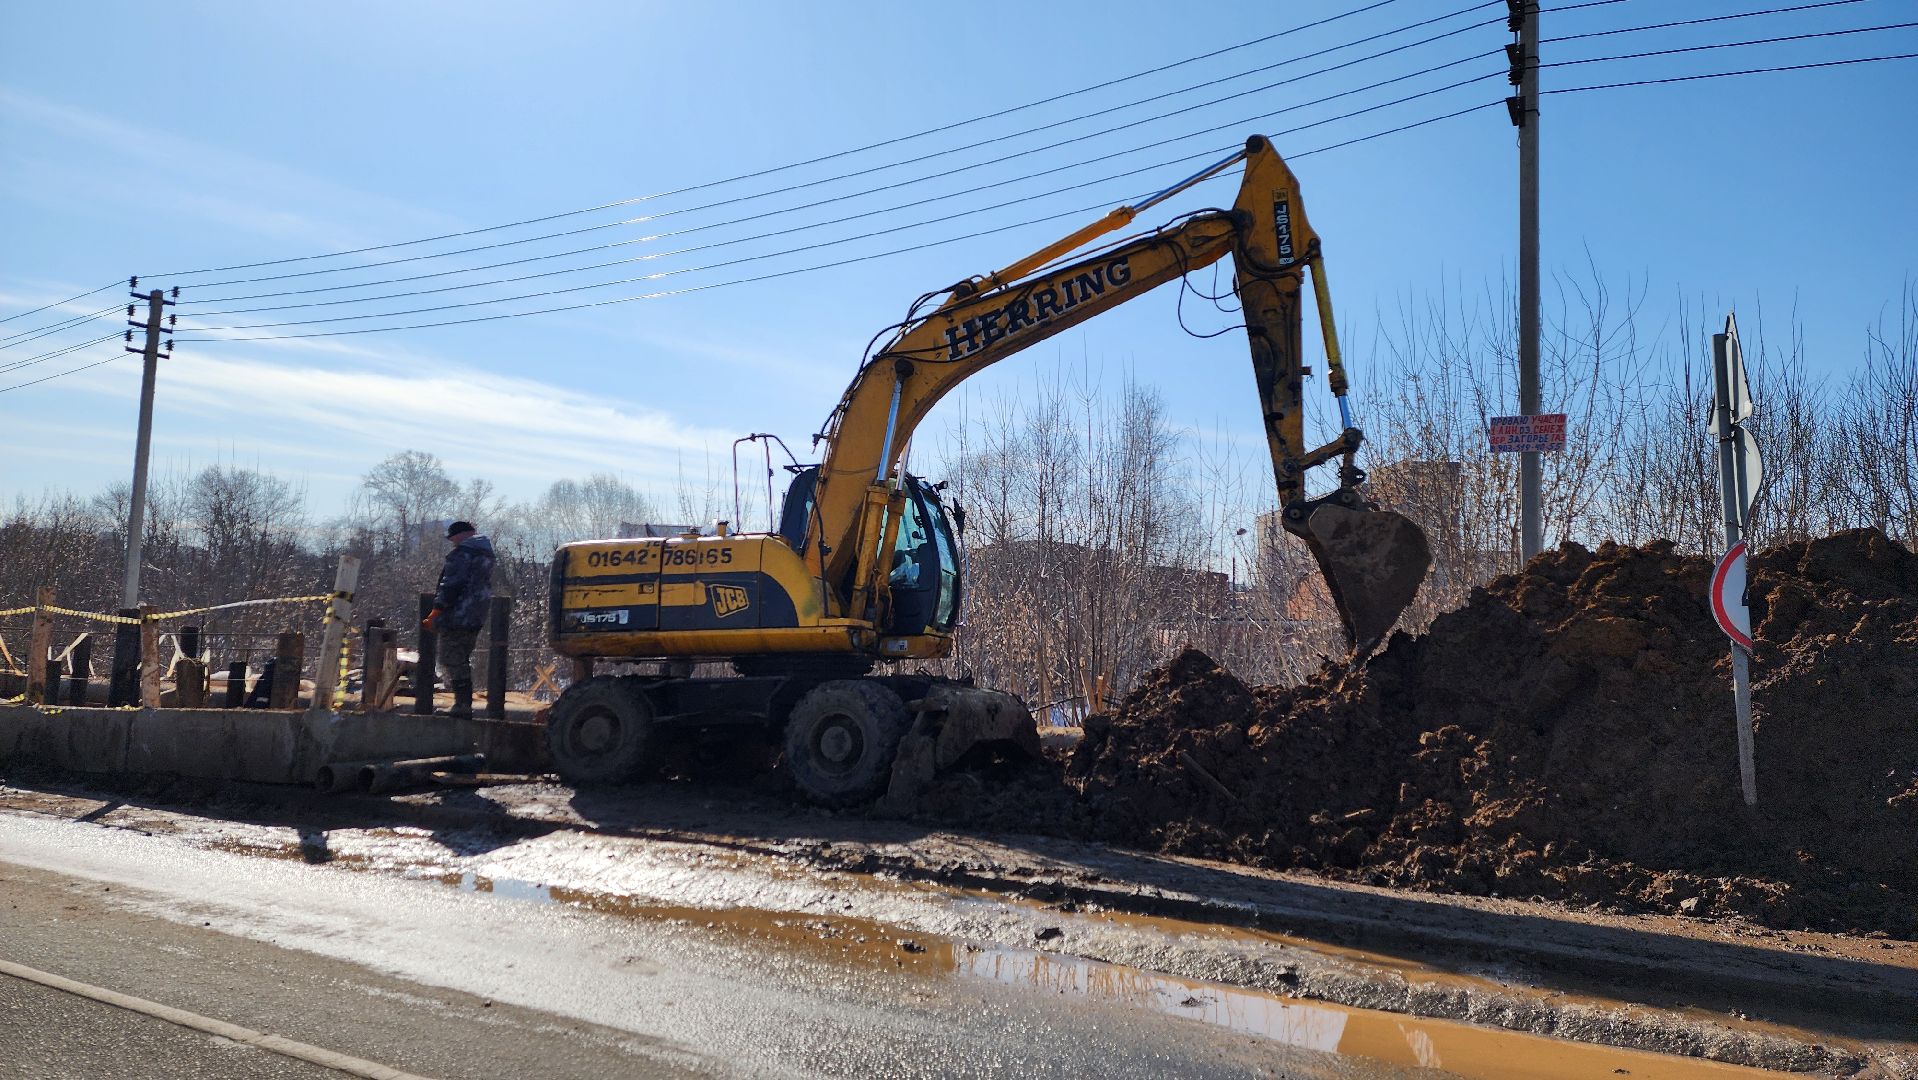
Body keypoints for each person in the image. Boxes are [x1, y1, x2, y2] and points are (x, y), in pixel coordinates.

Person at [423, 520, 495, 718]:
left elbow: (452, 584)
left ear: (462, 535)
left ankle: (462, 706)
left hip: (458, 615)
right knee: (461, 657)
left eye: (453, 537)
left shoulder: (463, 553)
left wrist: (437, 610)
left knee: (451, 657)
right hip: (476, 613)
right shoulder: (484, 553)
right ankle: (463, 704)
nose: (452, 542)